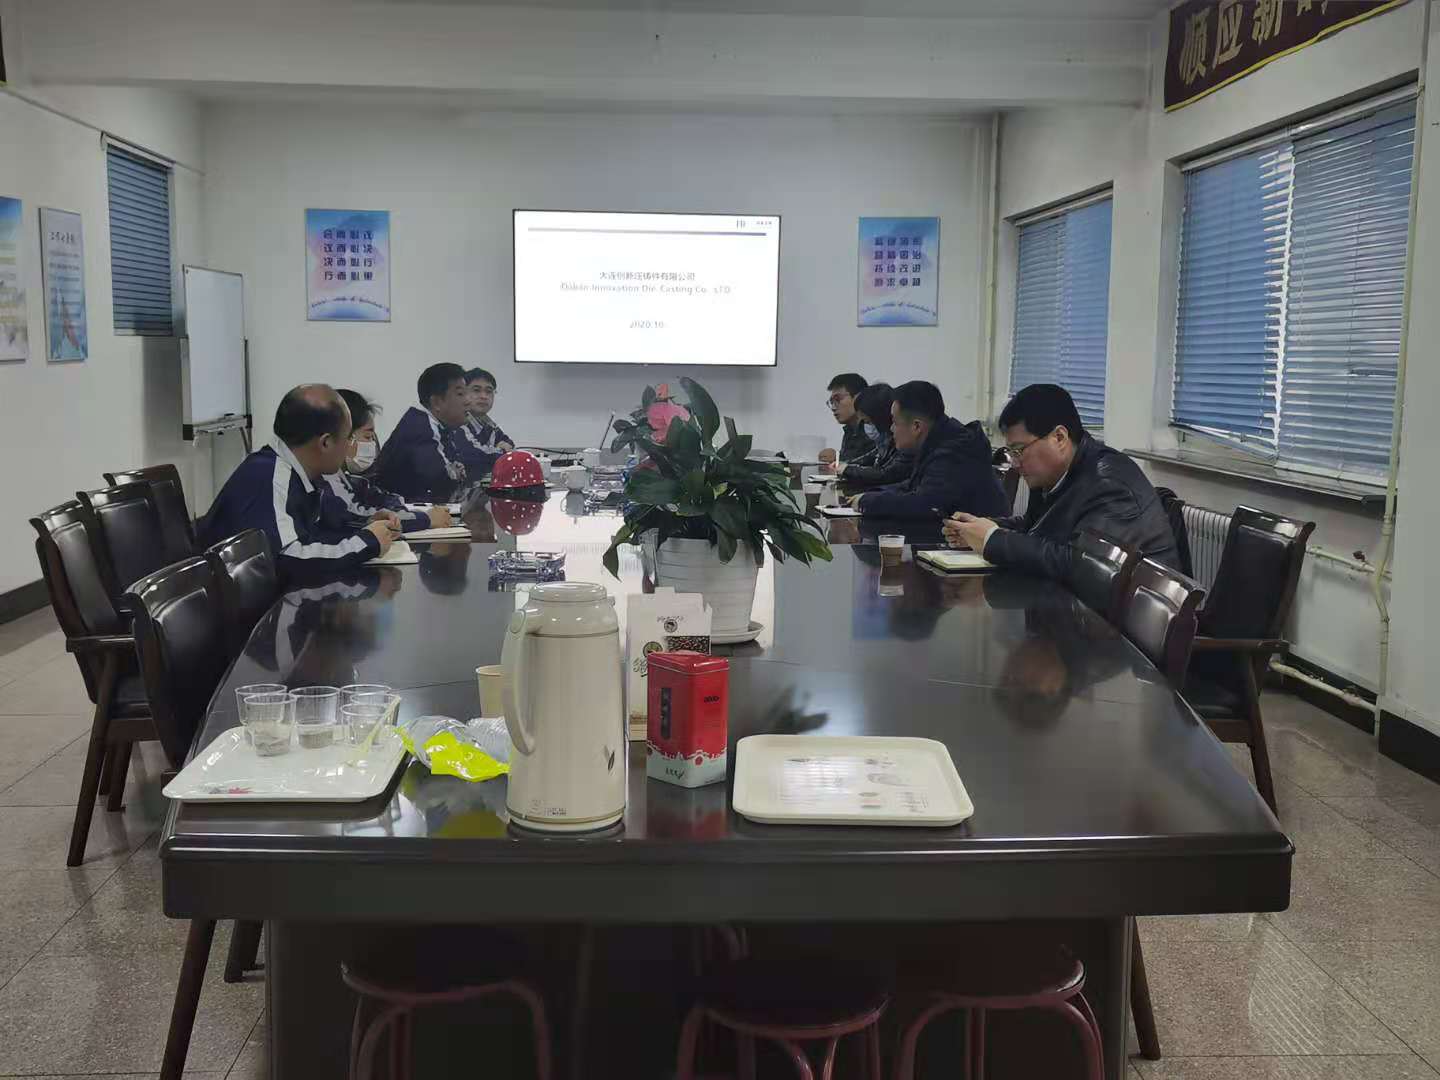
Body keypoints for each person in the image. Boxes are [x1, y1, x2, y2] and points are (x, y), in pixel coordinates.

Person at [943, 383, 1180, 580]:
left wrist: (993, 540)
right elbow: (1036, 527)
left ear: (1059, 437)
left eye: (1019, 450)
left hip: (1126, 618)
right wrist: (982, 529)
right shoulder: (1053, 472)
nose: (1015, 463)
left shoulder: (1110, 484)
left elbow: (1084, 565)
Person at [198, 384, 396, 578]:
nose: (348, 447)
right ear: (325, 443)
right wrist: (366, 543)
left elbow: (314, 535)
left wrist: (364, 526)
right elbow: (288, 558)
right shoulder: (270, 476)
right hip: (238, 598)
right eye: (348, 438)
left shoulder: (299, 473)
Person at [854, 381, 1008, 519]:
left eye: (895, 422)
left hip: (977, 537)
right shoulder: (937, 440)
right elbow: (913, 485)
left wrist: (868, 501)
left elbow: (925, 504)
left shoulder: (954, 451)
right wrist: (872, 494)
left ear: (916, 426)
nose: (891, 429)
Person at [324, 389, 453, 534]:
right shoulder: (324, 481)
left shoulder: (344, 478)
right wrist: (427, 519)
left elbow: (382, 498)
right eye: (368, 437)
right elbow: (363, 518)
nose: (373, 444)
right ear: (342, 435)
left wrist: (396, 510)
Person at [372, 363, 493, 501]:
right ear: (436, 402)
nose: (468, 401)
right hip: (393, 510)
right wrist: (456, 473)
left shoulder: (440, 427)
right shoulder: (420, 428)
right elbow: (442, 481)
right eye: (460, 394)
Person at [834, 383, 914, 488]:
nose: (866, 427)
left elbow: (886, 474)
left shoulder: (905, 443)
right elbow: (870, 457)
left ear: (881, 418)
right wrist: (844, 465)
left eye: (868, 422)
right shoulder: (885, 441)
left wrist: (847, 469)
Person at [817, 373, 874, 465]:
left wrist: (838, 458)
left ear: (858, 397)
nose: (833, 408)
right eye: (831, 402)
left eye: (838, 399)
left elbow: (872, 464)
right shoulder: (850, 431)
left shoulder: (873, 428)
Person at [461, 367, 514, 456]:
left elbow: (509, 443)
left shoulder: (487, 422)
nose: (484, 396)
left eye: (489, 391)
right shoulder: (458, 421)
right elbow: (473, 454)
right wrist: (501, 450)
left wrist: (502, 448)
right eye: (476, 390)